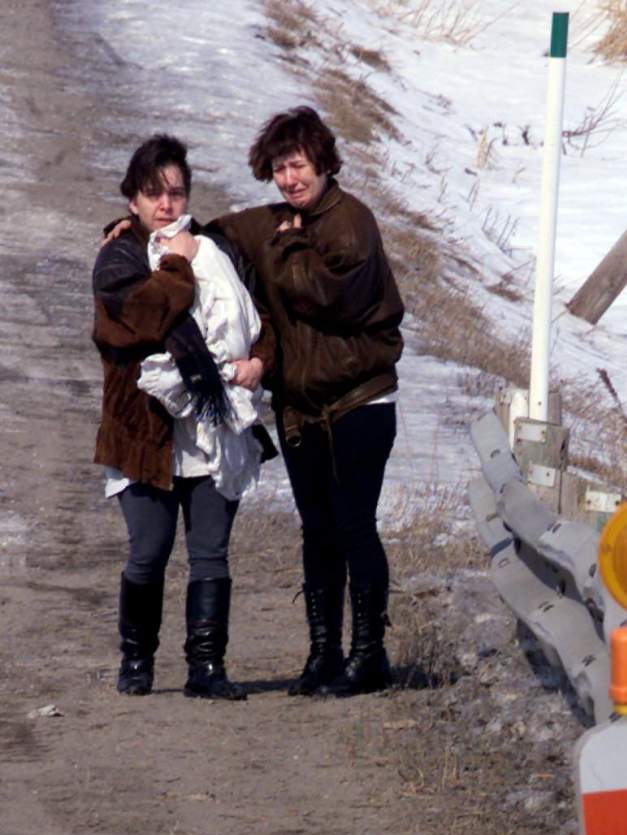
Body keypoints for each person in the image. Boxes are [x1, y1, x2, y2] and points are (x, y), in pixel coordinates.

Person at [211, 106, 405, 697]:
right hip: (301, 409)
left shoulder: (351, 224)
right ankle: (324, 654)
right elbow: (215, 235)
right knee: (317, 530)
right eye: (278, 169)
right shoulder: (279, 220)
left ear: (322, 161)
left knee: (353, 525)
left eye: (297, 165)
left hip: (360, 403)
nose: (289, 179)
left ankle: (370, 657)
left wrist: (288, 250)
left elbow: (329, 297)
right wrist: (146, 230)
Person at [93, 134, 275, 699]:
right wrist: (176, 259)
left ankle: (206, 668)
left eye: (175, 192)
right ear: (132, 201)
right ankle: (136, 661)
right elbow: (145, 317)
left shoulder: (213, 251)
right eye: (153, 194)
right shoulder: (119, 256)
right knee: (147, 553)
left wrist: (260, 360)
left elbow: (258, 316)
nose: (166, 204)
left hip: (212, 430)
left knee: (210, 554)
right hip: (144, 433)